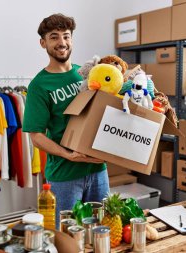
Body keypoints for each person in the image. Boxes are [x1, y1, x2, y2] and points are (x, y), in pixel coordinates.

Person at [23, 13, 109, 229]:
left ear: (72, 40)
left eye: (66, 36)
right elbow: (36, 136)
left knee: (101, 230)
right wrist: (68, 154)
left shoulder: (88, 75)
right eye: (54, 37)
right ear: (43, 43)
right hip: (64, 176)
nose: (61, 42)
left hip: (98, 170)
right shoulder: (39, 86)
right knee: (66, 235)